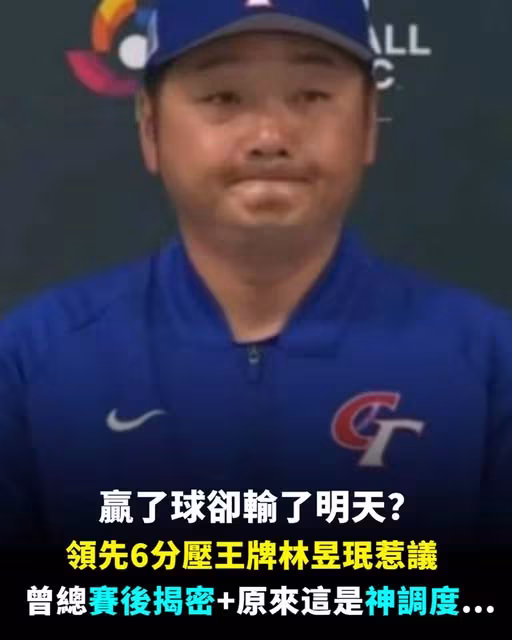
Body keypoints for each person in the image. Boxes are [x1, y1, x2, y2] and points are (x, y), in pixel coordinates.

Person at [0, 0, 511, 547]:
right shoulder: (34, 360)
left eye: (311, 96)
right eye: (224, 97)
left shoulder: (485, 363)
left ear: (368, 123)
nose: (270, 137)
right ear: (150, 127)